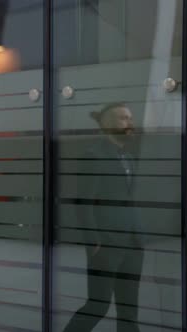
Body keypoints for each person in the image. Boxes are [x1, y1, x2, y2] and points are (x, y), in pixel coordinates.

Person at [62, 103, 143, 332]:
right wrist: (93, 242)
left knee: (129, 310)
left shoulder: (127, 156)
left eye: (130, 117)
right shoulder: (93, 156)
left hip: (133, 243)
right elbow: (83, 203)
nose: (129, 122)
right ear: (107, 124)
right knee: (98, 306)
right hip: (106, 245)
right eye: (123, 118)